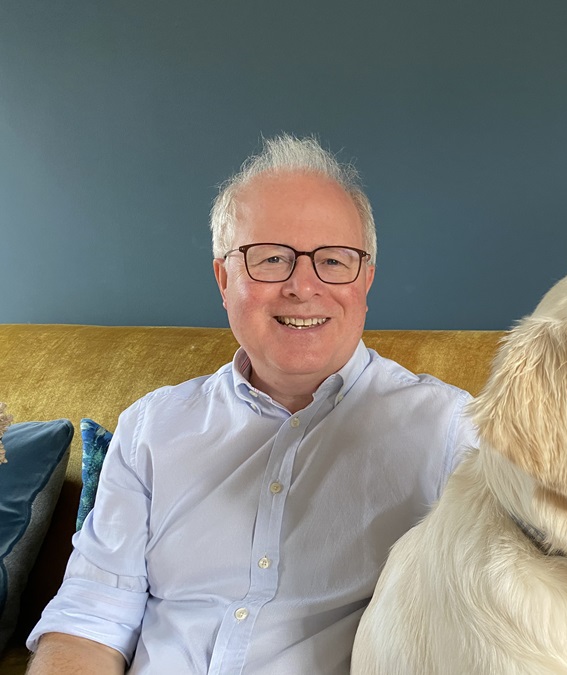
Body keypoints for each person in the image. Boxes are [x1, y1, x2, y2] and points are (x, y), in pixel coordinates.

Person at [26, 135, 477, 674]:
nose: (302, 286)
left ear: (366, 279)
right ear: (223, 278)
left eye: (333, 260)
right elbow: (88, 625)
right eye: (271, 259)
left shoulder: (452, 432)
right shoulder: (151, 426)